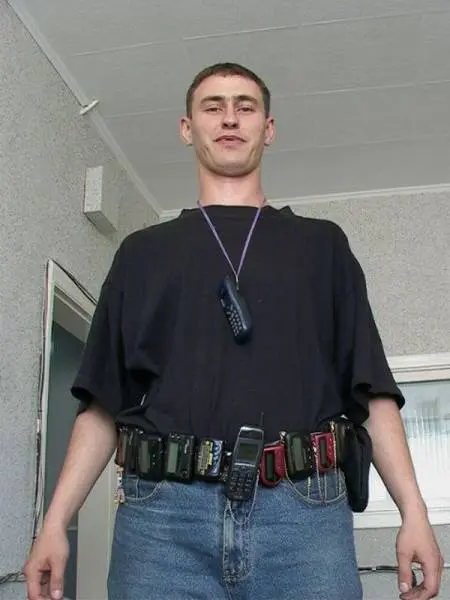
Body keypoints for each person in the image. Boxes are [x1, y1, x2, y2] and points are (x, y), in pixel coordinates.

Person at [24, 62, 443, 600]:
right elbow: (102, 403)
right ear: (187, 128)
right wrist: (55, 522)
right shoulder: (141, 254)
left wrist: (414, 511)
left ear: (268, 129)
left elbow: (372, 391)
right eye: (213, 106)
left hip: (303, 520)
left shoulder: (323, 247)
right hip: (162, 524)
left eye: (245, 107)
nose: (229, 118)